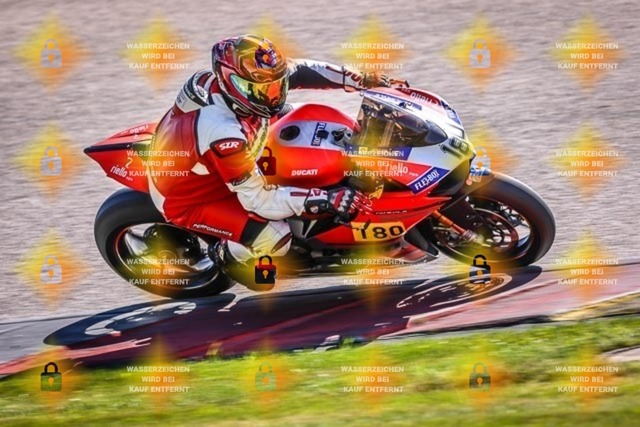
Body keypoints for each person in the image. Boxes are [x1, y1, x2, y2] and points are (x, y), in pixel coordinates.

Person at [147, 34, 390, 289]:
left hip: (214, 151)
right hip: (193, 197)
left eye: (276, 86)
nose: (272, 97)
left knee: (311, 118)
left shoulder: (243, 86)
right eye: (263, 89)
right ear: (231, 83)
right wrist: (324, 199)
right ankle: (226, 256)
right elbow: (259, 201)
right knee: (276, 238)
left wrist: (359, 79)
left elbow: (301, 70)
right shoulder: (224, 134)